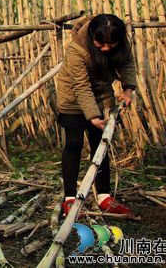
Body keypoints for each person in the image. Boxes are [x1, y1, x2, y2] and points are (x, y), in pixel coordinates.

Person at [56, 13, 136, 217]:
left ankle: (104, 197)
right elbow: (81, 87)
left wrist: (128, 89)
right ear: (92, 35)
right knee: (73, 144)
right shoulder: (76, 49)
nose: (107, 48)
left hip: (103, 96)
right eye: (101, 43)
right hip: (73, 98)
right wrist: (92, 116)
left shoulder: (120, 43)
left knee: (101, 146)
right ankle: (70, 199)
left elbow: (127, 64)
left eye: (112, 44)